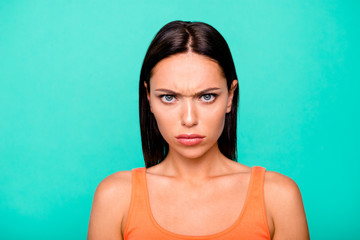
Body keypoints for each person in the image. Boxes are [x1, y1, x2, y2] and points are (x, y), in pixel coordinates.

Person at [87, 20, 310, 240]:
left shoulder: (278, 197)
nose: (189, 119)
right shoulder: (115, 198)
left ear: (230, 96)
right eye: (169, 97)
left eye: (207, 96)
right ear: (149, 98)